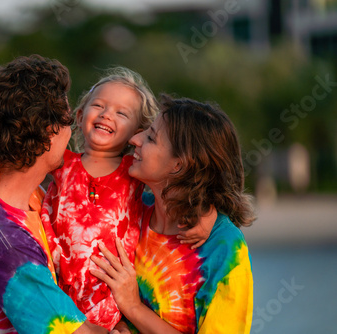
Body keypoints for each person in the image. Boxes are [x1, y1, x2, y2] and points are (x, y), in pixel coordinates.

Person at [0, 69, 213, 331]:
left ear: (137, 133)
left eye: (121, 113)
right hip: (61, 293)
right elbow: (15, 155)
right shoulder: (62, 163)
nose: (107, 114)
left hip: (110, 299)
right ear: (79, 115)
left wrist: (207, 214)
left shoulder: (133, 172)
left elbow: (182, 185)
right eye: (98, 105)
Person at [0, 55, 107, 333]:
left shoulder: (3, 189)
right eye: (67, 121)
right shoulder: (7, 245)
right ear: (48, 133)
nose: (71, 131)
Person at [91, 95, 256, 334]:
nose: (134, 140)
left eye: (150, 137)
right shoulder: (128, 210)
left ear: (179, 165)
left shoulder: (224, 249)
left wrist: (135, 308)